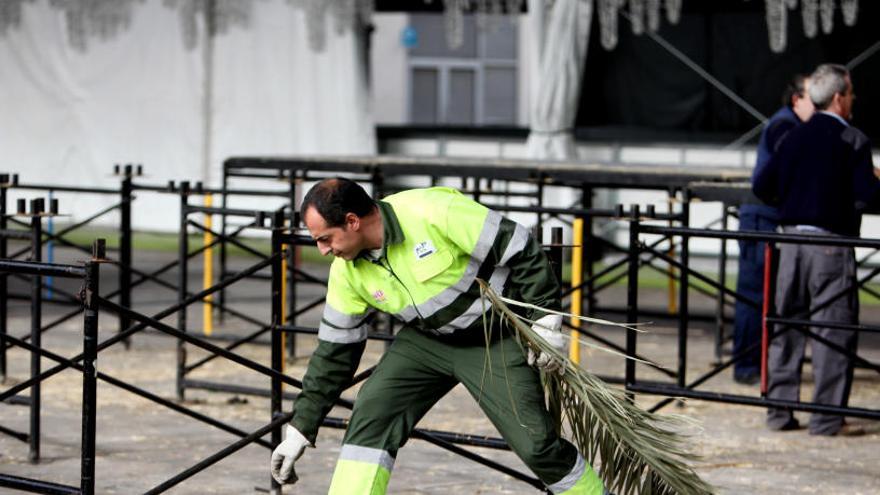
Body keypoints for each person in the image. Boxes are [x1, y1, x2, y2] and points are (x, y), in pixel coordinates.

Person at [270, 178, 606, 494]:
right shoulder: (346, 273)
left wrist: (544, 319)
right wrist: (301, 427)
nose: (323, 250)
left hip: (496, 337)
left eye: (325, 238)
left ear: (352, 221)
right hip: (427, 342)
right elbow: (334, 352)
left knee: (537, 445)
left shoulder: (432, 211)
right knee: (372, 413)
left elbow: (521, 248)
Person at [753, 63, 880, 436]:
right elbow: (868, 195)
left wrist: (792, 199)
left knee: (786, 326)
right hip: (829, 244)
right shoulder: (851, 139)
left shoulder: (793, 136)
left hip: (790, 241)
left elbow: (762, 184)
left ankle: (779, 411)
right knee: (831, 330)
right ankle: (824, 418)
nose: (854, 99)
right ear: (839, 97)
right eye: (852, 93)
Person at [733, 74, 814, 385]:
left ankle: (758, 365)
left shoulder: (791, 125)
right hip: (761, 219)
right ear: (797, 99)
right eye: (811, 97)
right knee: (755, 296)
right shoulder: (785, 125)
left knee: (765, 296)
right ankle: (747, 367)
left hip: (768, 218)